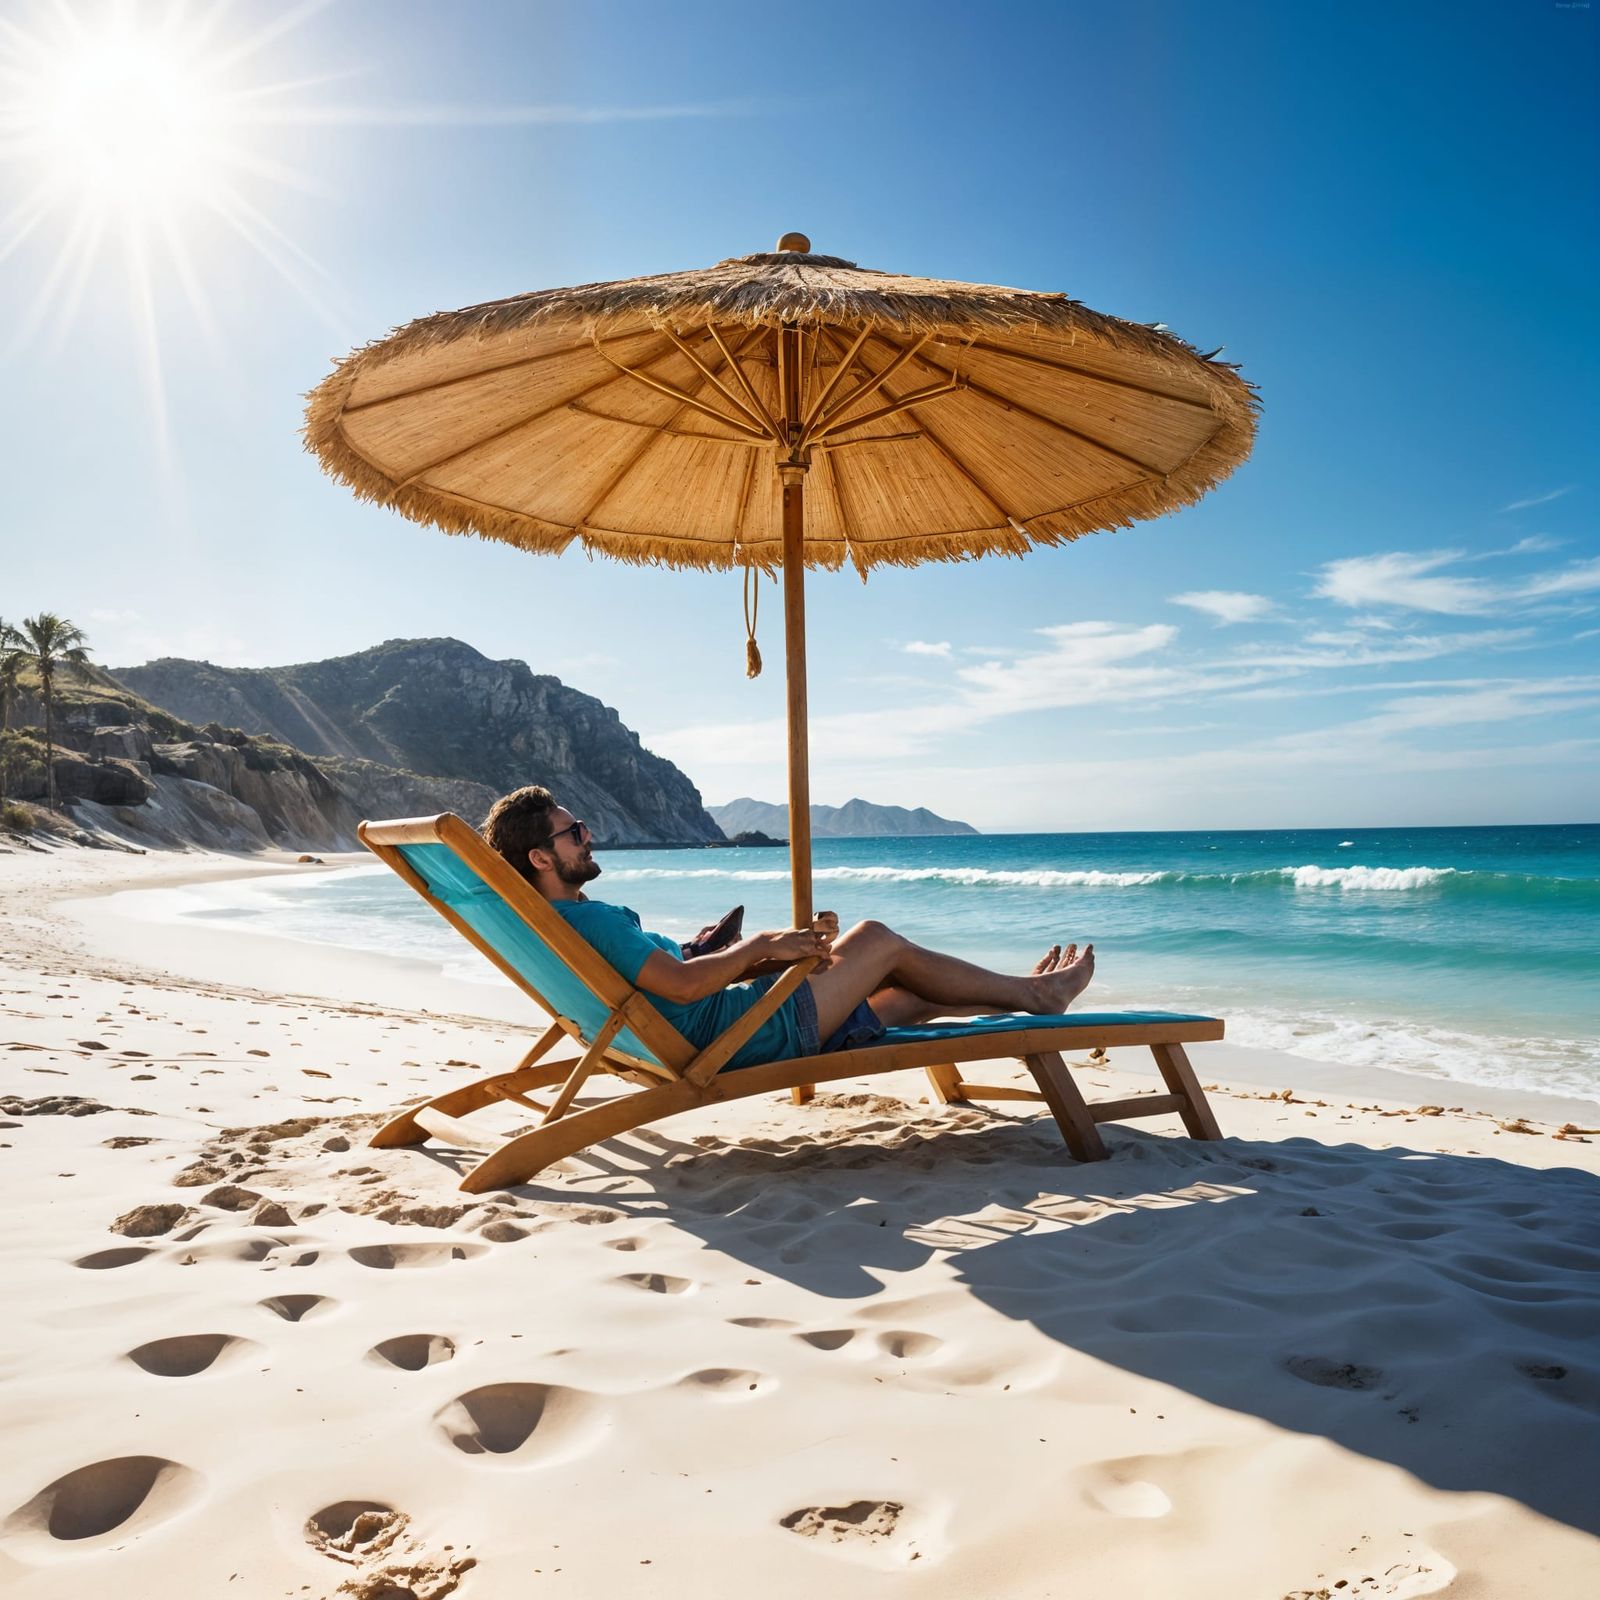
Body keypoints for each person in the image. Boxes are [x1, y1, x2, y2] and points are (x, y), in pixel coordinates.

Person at [482, 785, 1095, 1071]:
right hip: (741, 1036)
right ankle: (1036, 996)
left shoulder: (555, 925)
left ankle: (1020, 998)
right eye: (574, 832)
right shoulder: (592, 920)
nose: (588, 836)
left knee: (906, 990)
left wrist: (776, 954)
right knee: (877, 938)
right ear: (541, 858)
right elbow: (683, 987)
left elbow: (679, 980)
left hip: (716, 1030)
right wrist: (764, 946)